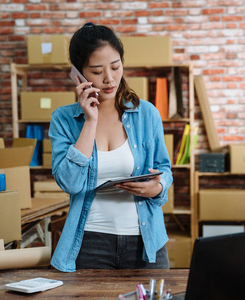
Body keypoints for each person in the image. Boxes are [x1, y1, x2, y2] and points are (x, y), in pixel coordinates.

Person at [49, 23, 173, 272]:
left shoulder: (147, 114)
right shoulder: (63, 119)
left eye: (116, 67)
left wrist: (156, 187)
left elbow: (164, 169)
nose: (109, 78)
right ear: (79, 75)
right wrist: (90, 121)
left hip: (145, 242)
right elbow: (70, 183)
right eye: (96, 71)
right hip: (89, 242)